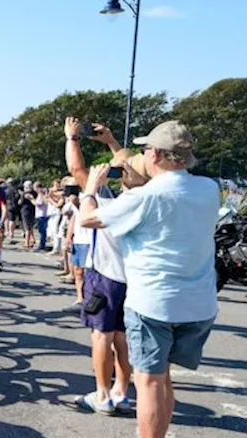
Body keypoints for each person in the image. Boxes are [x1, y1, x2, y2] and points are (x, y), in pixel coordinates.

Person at [77, 120, 220, 438]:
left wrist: (91, 189)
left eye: (144, 151)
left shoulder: (147, 197)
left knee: (150, 382)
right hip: (199, 304)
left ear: (154, 155)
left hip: (155, 302)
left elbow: (89, 218)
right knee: (162, 378)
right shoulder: (209, 189)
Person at [64, 119, 143, 416]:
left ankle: (102, 394)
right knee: (123, 339)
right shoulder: (147, 200)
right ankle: (122, 391)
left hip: (106, 277)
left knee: (102, 337)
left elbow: (76, 171)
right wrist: (111, 141)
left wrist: (72, 138)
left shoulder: (111, 204)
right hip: (134, 280)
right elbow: (134, 172)